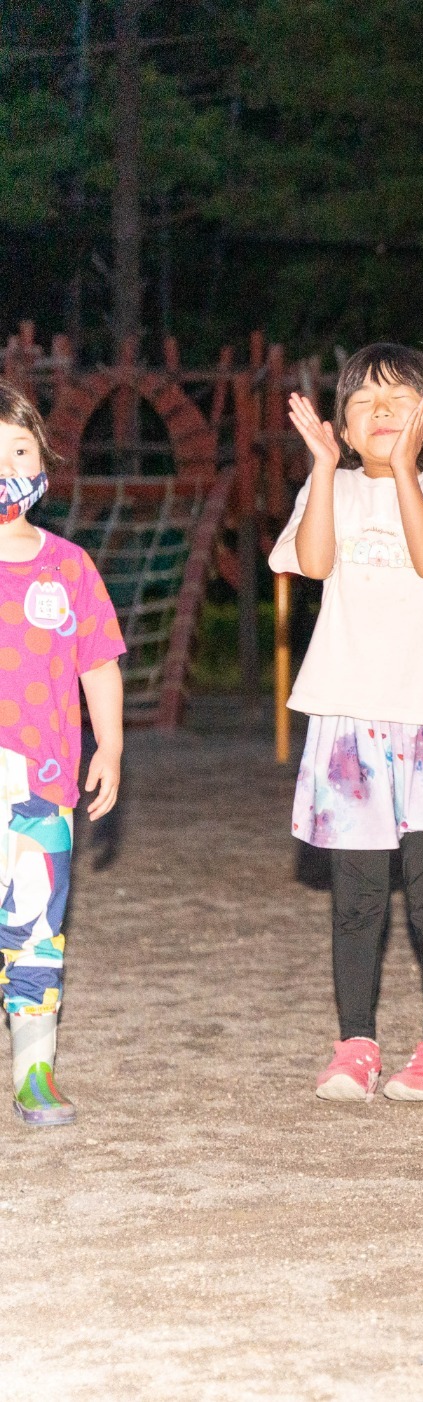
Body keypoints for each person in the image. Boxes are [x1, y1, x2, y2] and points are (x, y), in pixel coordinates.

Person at [272, 343, 423, 1104]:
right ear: (342, 419)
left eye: (399, 402)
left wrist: (403, 473)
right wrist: (319, 472)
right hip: (347, 726)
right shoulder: (329, 487)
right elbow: (312, 561)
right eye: (364, 400)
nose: (380, 414)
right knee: (357, 899)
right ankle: (356, 1044)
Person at [0, 385, 125, 1128]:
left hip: (44, 782)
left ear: (45, 462)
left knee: (37, 924)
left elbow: (98, 662)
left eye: (18, 450)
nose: (5, 467)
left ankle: (34, 1066)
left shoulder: (69, 566)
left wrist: (109, 744)